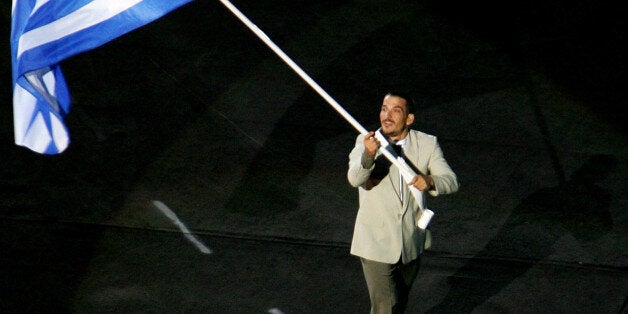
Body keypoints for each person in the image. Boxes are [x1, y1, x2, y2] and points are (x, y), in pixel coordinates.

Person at [347, 92, 459, 313]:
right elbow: (355, 179)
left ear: (409, 119)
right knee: (385, 307)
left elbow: (451, 181)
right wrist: (369, 156)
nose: (387, 116)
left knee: (400, 304)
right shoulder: (365, 142)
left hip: (411, 241)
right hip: (375, 243)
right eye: (384, 108)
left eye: (396, 110)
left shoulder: (427, 144)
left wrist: (429, 180)